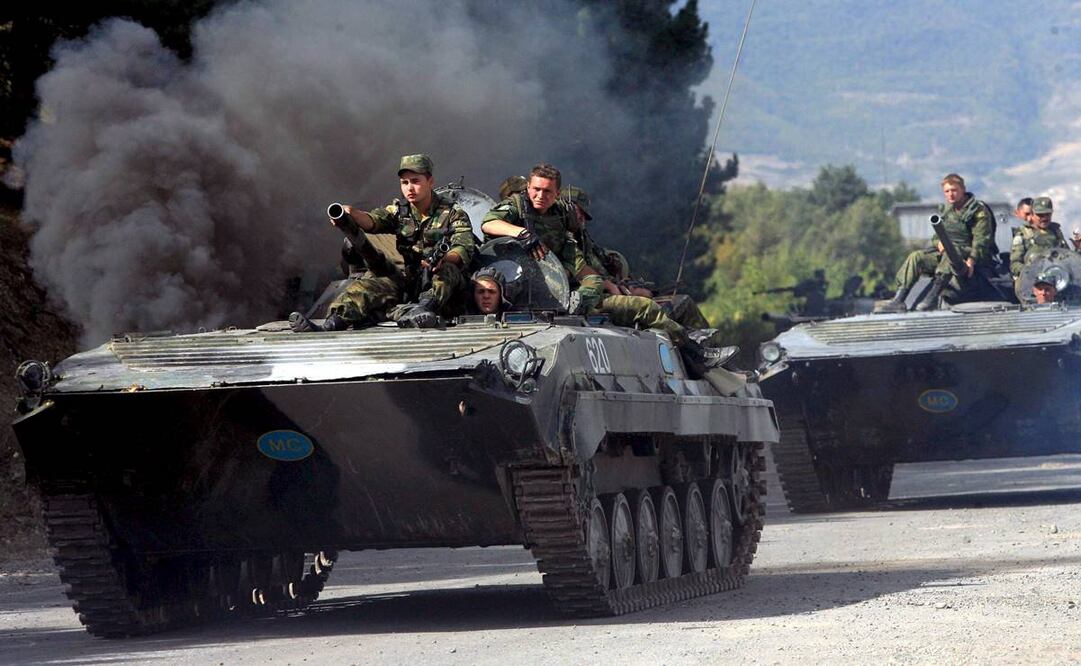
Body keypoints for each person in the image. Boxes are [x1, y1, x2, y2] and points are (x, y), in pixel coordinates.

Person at [296, 154, 475, 331]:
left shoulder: (453, 213)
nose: (410, 188)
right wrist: (352, 214)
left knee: (448, 271)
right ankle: (330, 324)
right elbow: (374, 221)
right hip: (407, 279)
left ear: (430, 182)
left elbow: (464, 245)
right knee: (367, 285)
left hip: (442, 289)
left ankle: (422, 311)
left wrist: (446, 259)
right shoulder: (398, 211)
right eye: (404, 183)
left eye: (415, 181)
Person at [481, 164, 604, 313]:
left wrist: (565, 272)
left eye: (547, 191)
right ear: (528, 187)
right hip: (512, 275)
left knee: (594, 281)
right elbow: (489, 223)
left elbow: (569, 248)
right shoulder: (517, 205)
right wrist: (523, 234)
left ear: (557, 193)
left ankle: (573, 308)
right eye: (536, 189)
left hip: (550, 276)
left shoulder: (562, 213)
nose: (540, 195)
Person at [879, 173, 994, 312]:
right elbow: (936, 236)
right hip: (948, 253)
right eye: (947, 191)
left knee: (952, 252)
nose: (950, 194)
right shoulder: (947, 210)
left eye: (954, 190)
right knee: (916, 257)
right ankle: (899, 299)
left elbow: (981, 239)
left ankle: (932, 296)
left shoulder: (977, 210)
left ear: (963, 189)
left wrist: (972, 260)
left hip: (971, 254)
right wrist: (939, 242)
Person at [1010, 196, 1068, 297]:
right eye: (1040, 215)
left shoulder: (1056, 232)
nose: (1044, 218)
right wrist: (1030, 271)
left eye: (1047, 214)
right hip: (1032, 289)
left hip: (1056, 284)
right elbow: (1014, 264)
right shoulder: (1023, 235)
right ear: (1032, 214)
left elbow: (1068, 258)